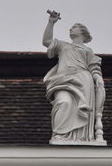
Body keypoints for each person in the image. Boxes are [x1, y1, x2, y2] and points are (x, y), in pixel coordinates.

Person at [42, 10, 106, 144]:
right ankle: (60, 135)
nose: (71, 28)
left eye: (74, 27)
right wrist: (51, 23)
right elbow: (46, 41)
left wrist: (98, 78)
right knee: (63, 102)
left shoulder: (88, 51)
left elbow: (94, 68)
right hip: (64, 80)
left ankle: (80, 138)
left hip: (83, 80)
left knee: (79, 110)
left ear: (82, 32)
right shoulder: (63, 45)